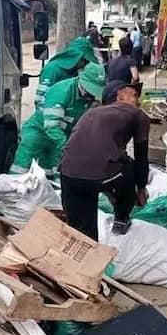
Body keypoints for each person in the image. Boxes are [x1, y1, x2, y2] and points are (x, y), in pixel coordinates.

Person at [60, 80, 150, 239]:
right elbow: (141, 157)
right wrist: (141, 188)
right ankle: (121, 219)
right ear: (120, 96)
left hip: (68, 174)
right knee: (128, 166)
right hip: (100, 177)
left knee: (82, 236)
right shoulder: (138, 114)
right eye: (135, 95)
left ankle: (81, 249)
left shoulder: (91, 113)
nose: (138, 101)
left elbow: (89, 152)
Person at [11, 63, 106, 176]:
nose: (92, 94)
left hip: (61, 137)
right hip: (38, 132)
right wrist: (69, 147)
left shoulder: (89, 99)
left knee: (55, 172)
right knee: (21, 168)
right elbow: (51, 127)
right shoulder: (62, 92)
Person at [34, 37, 99, 108]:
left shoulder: (76, 71)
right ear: (78, 58)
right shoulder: (52, 69)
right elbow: (41, 99)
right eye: (85, 61)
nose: (86, 64)